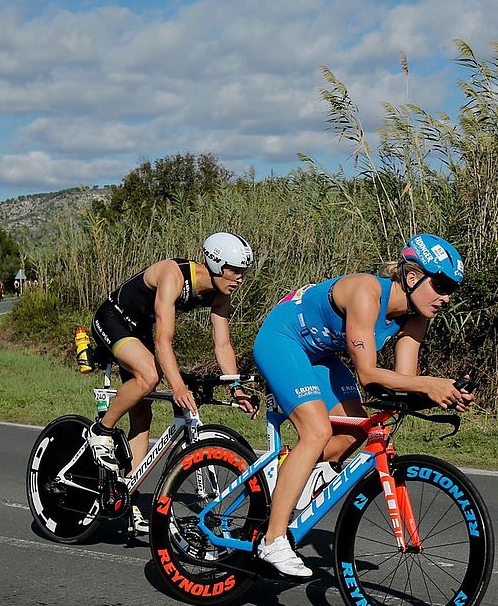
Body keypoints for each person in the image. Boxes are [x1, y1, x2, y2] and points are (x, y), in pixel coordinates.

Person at [250, 234, 473, 578]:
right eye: (441, 286)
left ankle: (288, 477)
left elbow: (402, 381)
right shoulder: (366, 292)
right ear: (413, 277)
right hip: (283, 338)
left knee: (354, 433)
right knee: (317, 431)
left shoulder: (417, 315)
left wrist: (441, 392)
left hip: (320, 355)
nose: (445, 298)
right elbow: (369, 375)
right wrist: (430, 384)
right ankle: (273, 538)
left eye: (451, 291)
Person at [85, 232, 257, 533]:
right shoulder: (174, 275)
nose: (240, 279)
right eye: (235, 270)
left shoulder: (220, 294)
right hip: (114, 318)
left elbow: (223, 346)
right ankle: (101, 431)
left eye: (244, 272)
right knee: (150, 376)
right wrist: (177, 386)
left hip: (138, 332)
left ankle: (128, 495)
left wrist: (236, 388)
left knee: (142, 415)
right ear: (216, 264)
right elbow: (163, 342)